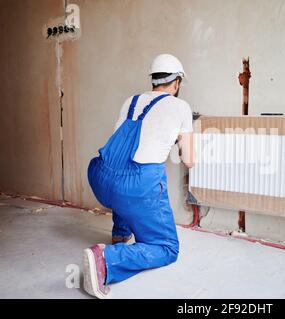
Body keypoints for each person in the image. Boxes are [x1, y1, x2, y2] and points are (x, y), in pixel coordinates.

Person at [83, 54, 195, 299]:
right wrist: (179, 138)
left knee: (123, 179)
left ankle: (121, 234)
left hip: (100, 178)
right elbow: (188, 160)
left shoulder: (131, 101)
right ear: (176, 82)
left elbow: (121, 149)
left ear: (154, 80)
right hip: (135, 188)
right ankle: (107, 259)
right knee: (166, 248)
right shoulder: (181, 107)